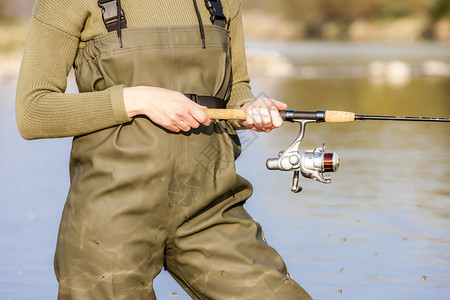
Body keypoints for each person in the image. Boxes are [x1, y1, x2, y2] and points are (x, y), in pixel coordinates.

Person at [16, 0, 312, 299]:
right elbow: (32, 112)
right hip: (110, 217)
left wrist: (250, 107)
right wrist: (136, 99)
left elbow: (236, 90)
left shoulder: (223, 3)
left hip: (211, 206)